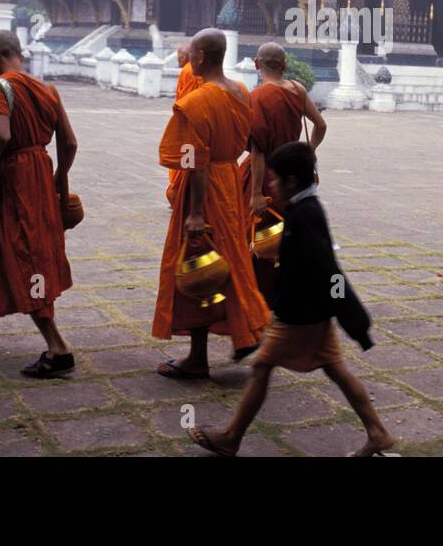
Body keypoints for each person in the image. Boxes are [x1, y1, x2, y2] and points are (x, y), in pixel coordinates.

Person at [187, 142, 395, 457]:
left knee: (261, 367)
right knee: (336, 368)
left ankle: (230, 437)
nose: (270, 185)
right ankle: (378, 433)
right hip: (314, 313)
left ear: (292, 182)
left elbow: (329, 270)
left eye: (275, 179)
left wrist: (351, 314)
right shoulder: (303, 208)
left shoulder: (306, 213)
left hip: (301, 315)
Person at [0, 30, 78, 378]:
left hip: (12, 181)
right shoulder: (47, 90)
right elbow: (69, 144)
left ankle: (58, 348)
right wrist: (57, 180)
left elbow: (1, 136)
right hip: (39, 175)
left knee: (25, 256)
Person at [153, 28, 268, 378]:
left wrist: (196, 213)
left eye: (192, 56)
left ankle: (198, 358)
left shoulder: (196, 102)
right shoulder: (242, 92)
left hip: (204, 191)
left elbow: (194, 161)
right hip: (231, 182)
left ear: (200, 57)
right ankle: (248, 328)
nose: (188, 60)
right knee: (232, 259)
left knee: (197, 263)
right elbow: (249, 142)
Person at [243, 42, 326, 218]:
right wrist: (309, 150)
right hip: (293, 170)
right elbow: (321, 125)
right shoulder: (298, 89)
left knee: (257, 228)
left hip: (266, 173)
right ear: (284, 64)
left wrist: (256, 193)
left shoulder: (256, 98)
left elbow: (258, 151)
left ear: (257, 64)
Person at [165, 42, 202, 207]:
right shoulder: (192, 70)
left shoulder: (188, 71)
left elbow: (187, 101)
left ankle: (178, 195)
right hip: (194, 122)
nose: (177, 60)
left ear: (186, 56)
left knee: (185, 162)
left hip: (189, 124)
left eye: (179, 56)